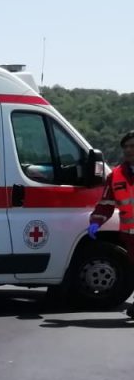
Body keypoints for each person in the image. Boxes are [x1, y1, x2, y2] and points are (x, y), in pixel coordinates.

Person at [86, 130, 134, 318]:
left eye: (133, 146)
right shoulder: (115, 175)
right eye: (126, 147)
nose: (129, 150)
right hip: (129, 235)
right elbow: (106, 204)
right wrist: (96, 222)